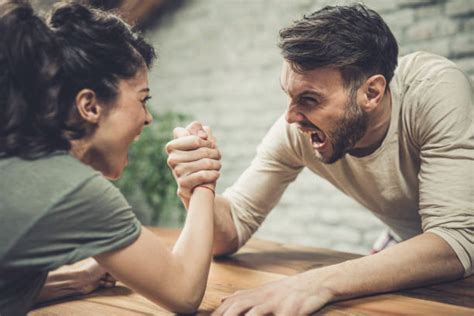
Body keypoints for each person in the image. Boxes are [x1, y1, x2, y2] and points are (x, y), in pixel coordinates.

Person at [166, 4, 474, 315]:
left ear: (372, 93)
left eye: (309, 99)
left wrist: (313, 283)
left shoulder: (434, 90)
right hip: (415, 246)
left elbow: (457, 238)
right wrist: (198, 186)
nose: (290, 117)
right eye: (288, 95)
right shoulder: (297, 130)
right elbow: (228, 232)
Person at [0, 1, 219, 315]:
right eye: (143, 99)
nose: (148, 118)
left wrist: (75, 280)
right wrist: (202, 182)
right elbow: (183, 291)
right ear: (89, 106)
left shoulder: (18, 161)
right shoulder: (70, 189)